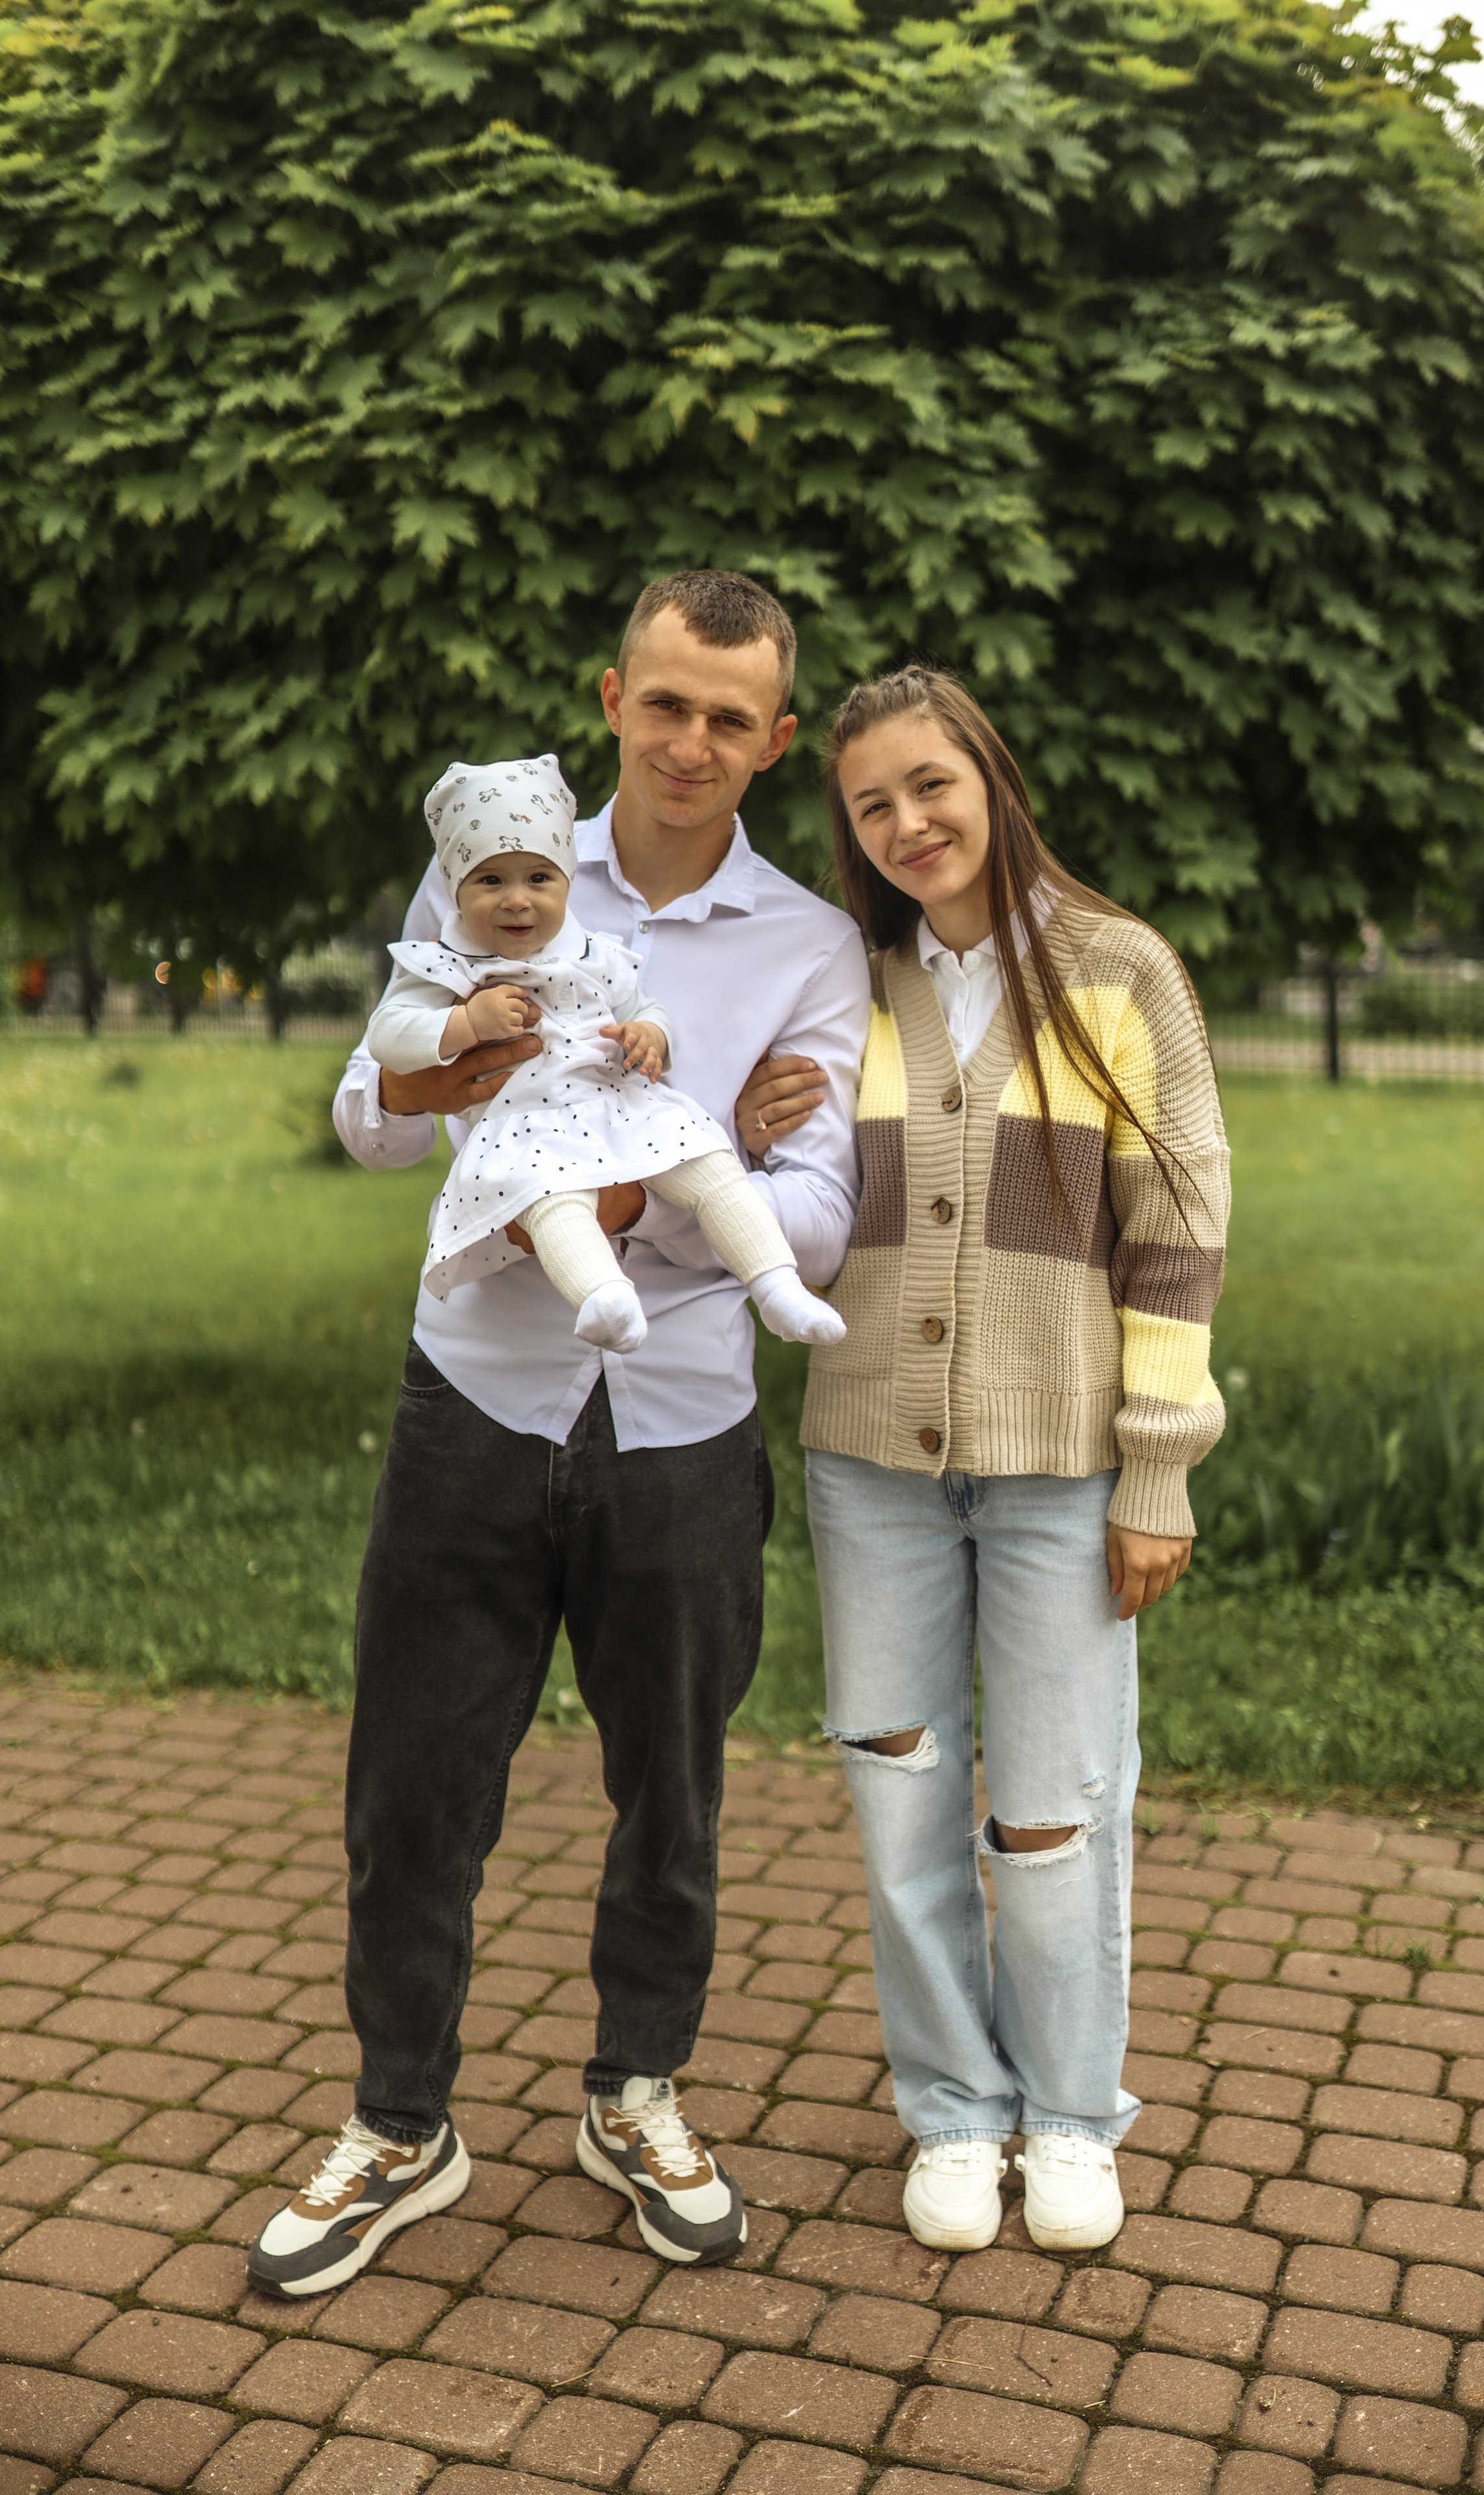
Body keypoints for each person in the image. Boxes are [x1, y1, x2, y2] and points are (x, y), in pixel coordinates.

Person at [248, 572, 868, 2297]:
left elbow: (816, 1212)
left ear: (775, 738)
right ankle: (399, 2125)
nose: (691, 742)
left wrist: (685, 1181)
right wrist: (455, 1074)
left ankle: (637, 2091)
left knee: (669, 1788)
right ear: (613, 697)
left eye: (730, 717)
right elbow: (372, 1122)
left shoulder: (813, 944)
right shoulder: (494, 859)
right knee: (414, 1784)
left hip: (683, 1416)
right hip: (476, 1401)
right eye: (664, 702)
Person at [800, 665, 1230, 2255]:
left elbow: (1178, 1235)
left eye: (930, 784)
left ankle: (1065, 2108)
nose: (907, 822)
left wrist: (1158, 1462)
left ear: (987, 773)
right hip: (868, 1460)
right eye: (870, 803)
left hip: (1060, 1463)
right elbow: (783, 1186)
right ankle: (948, 2106)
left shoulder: (1117, 968)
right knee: (895, 1788)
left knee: (1050, 1809)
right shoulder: (835, 979)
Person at [367, 750, 843, 1353]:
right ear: (456, 890)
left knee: (711, 1164)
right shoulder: (448, 962)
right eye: (491, 880)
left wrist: (652, 1036)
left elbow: (642, 1005)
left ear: (566, 882)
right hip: (527, 1126)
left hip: (619, 1104)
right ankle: (603, 1296)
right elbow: (388, 1032)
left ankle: (777, 1286)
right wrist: (464, 1023)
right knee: (552, 1199)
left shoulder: (592, 952)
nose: (517, 899)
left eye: (539, 879)